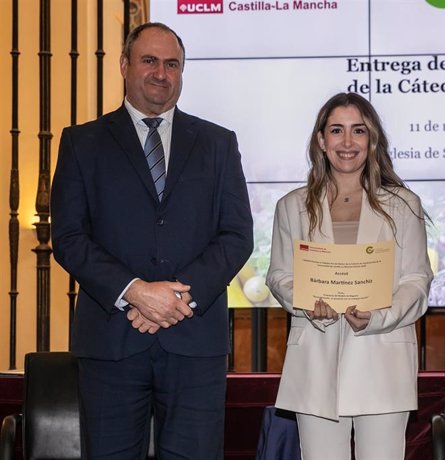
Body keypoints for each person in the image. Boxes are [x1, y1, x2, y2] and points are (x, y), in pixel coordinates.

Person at [51, 22, 253, 459]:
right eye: (149, 61)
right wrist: (136, 293)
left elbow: (237, 236)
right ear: (124, 66)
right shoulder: (82, 142)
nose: (161, 73)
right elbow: (67, 237)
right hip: (111, 342)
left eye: (172, 64)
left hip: (195, 341)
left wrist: (176, 298)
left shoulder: (218, 143)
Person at [266, 92, 433, 460]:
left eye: (358, 131)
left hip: (383, 358)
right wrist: (308, 304)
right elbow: (279, 275)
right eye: (337, 130)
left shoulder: (404, 205)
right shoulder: (291, 206)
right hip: (315, 359)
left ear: (371, 140)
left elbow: (416, 282)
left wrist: (379, 316)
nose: (347, 142)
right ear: (321, 141)